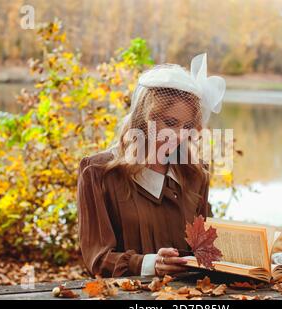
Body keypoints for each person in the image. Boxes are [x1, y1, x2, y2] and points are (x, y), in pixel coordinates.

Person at [77, 53, 226, 277]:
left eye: (187, 126)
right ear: (143, 118)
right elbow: (97, 259)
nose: (178, 135)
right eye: (170, 122)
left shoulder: (195, 174)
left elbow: (206, 248)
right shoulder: (98, 172)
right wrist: (148, 264)